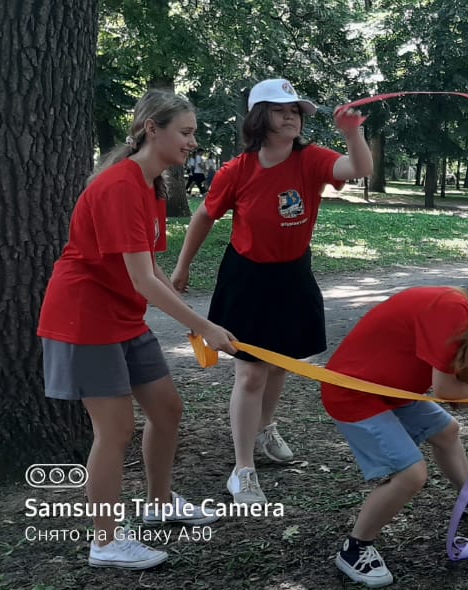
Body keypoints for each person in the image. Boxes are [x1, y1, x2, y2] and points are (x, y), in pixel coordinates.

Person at [37, 91, 238, 570]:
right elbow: (143, 280)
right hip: (84, 319)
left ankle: (159, 502)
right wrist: (204, 326)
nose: (192, 142)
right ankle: (105, 543)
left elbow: (146, 267)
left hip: (123, 319)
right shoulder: (121, 185)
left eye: (193, 133)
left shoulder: (151, 187)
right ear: (153, 128)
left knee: (167, 409)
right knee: (116, 429)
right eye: (185, 132)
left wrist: (191, 314)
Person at [169, 78, 372, 504]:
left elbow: (359, 169)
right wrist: (183, 266)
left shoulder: (311, 159)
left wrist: (353, 133)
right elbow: (204, 216)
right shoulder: (236, 171)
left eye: (296, 111)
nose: (291, 117)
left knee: (281, 363)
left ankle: (265, 429)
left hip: (293, 274)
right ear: (260, 118)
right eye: (282, 110)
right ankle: (243, 470)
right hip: (248, 277)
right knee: (251, 372)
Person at [322, 276, 468, 587]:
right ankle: (355, 548)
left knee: (446, 431)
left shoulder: (463, 314)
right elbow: (448, 390)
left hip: (391, 391)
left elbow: (460, 391)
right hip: (354, 392)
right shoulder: (453, 309)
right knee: (411, 474)